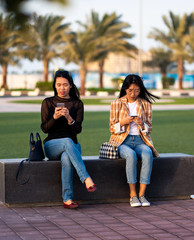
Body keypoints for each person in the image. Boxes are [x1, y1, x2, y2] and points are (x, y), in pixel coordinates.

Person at [41, 70, 96, 209]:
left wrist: (69, 118)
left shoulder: (77, 104)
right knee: (66, 141)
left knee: (66, 157)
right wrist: (54, 118)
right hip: (52, 146)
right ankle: (86, 178)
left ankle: (67, 199)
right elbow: (45, 129)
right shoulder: (48, 103)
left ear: (71, 85)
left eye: (65, 85)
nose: (62, 88)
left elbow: (78, 130)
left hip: (72, 146)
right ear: (55, 86)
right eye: (58, 85)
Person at [108, 74, 159, 207]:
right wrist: (123, 122)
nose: (133, 94)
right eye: (130, 90)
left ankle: (142, 195)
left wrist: (142, 124)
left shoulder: (146, 105)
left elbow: (149, 129)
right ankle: (133, 195)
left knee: (148, 154)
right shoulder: (116, 104)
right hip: (121, 141)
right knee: (130, 155)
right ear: (125, 89)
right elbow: (112, 129)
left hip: (140, 141)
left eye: (136, 91)